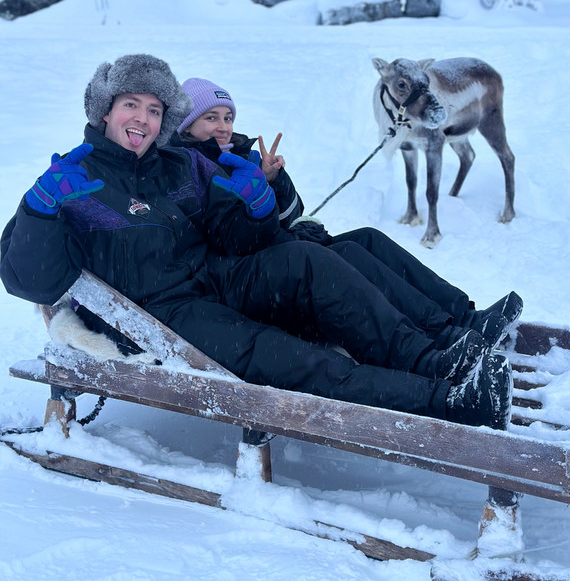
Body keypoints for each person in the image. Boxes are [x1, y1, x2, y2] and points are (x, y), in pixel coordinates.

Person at [1, 54, 513, 431]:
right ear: (105, 111)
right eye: (130, 104)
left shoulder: (179, 164)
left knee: (309, 261)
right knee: (301, 362)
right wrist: (39, 211)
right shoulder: (74, 176)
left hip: (214, 281)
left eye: (154, 109)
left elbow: (240, 239)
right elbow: (29, 280)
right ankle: (449, 402)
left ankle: (439, 362)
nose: (143, 119)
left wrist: (259, 203)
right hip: (163, 319)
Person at [173, 77, 523, 351]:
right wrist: (272, 218)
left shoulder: (243, 154)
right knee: (349, 254)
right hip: (257, 275)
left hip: (278, 252)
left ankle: (464, 316)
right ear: (187, 125)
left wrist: (273, 180)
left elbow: (294, 212)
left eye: (228, 117)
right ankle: (440, 332)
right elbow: (229, 238)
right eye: (211, 118)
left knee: (367, 238)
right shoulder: (193, 167)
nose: (223, 126)